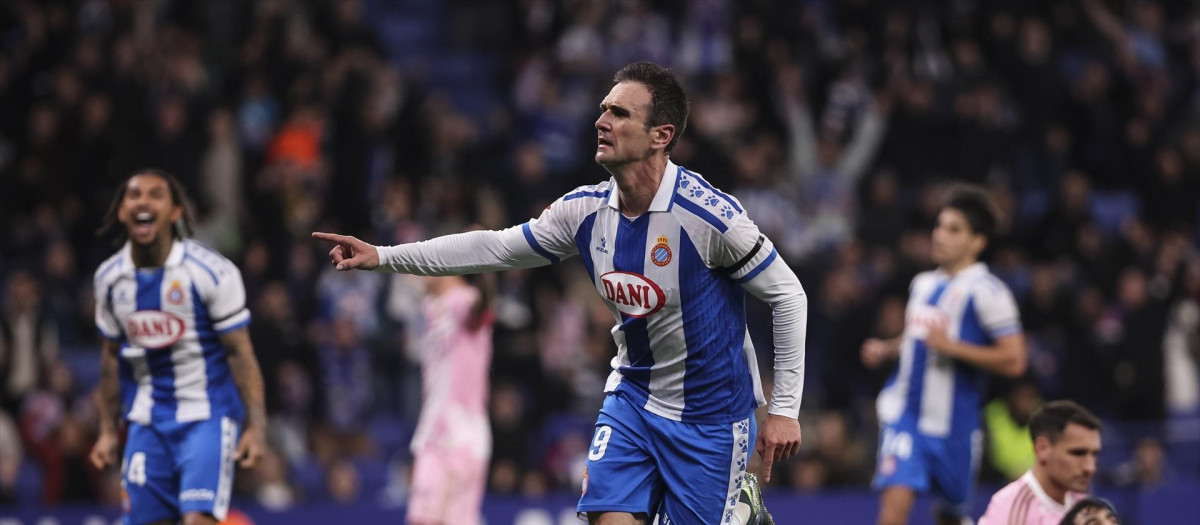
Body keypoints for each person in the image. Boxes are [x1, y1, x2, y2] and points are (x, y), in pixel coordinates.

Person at [313, 61, 805, 525]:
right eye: (602, 109)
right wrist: (384, 255)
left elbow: (787, 295)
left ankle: (740, 509)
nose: (601, 120)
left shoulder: (710, 218)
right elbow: (495, 248)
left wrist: (783, 410)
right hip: (632, 398)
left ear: (662, 136)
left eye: (619, 113)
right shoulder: (582, 213)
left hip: (710, 418)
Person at [89, 169, 267, 525]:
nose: (143, 201)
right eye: (134, 194)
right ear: (122, 211)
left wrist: (257, 429)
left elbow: (240, 353)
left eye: (156, 194)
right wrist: (108, 431)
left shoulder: (211, 273)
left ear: (175, 212)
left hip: (207, 418)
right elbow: (111, 359)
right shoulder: (109, 280)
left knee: (197, 520)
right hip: (147, 423)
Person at [861, 190, 1027, 525]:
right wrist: (888, 347)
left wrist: (953, 348)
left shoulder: (990, 293)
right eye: (939, 226)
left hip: (956, 428)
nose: (939, 235)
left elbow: (1014, 360)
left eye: (954, 229)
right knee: (892, 510)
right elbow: (917, 338)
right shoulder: (921, 284)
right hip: (905, 415)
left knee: (950, 517)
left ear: (977, 241)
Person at [406, 274, 495, 525]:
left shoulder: (463, 299)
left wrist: (486, 265)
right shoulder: (432, 306)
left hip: (457, 436)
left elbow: (481, 309)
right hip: (438, 432)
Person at [978, 400, 1103, 525]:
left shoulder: (1085, 506)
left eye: (1094, 454)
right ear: (1042, 449)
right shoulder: (1012, 509)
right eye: (1078, 453)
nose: (1090, 468)